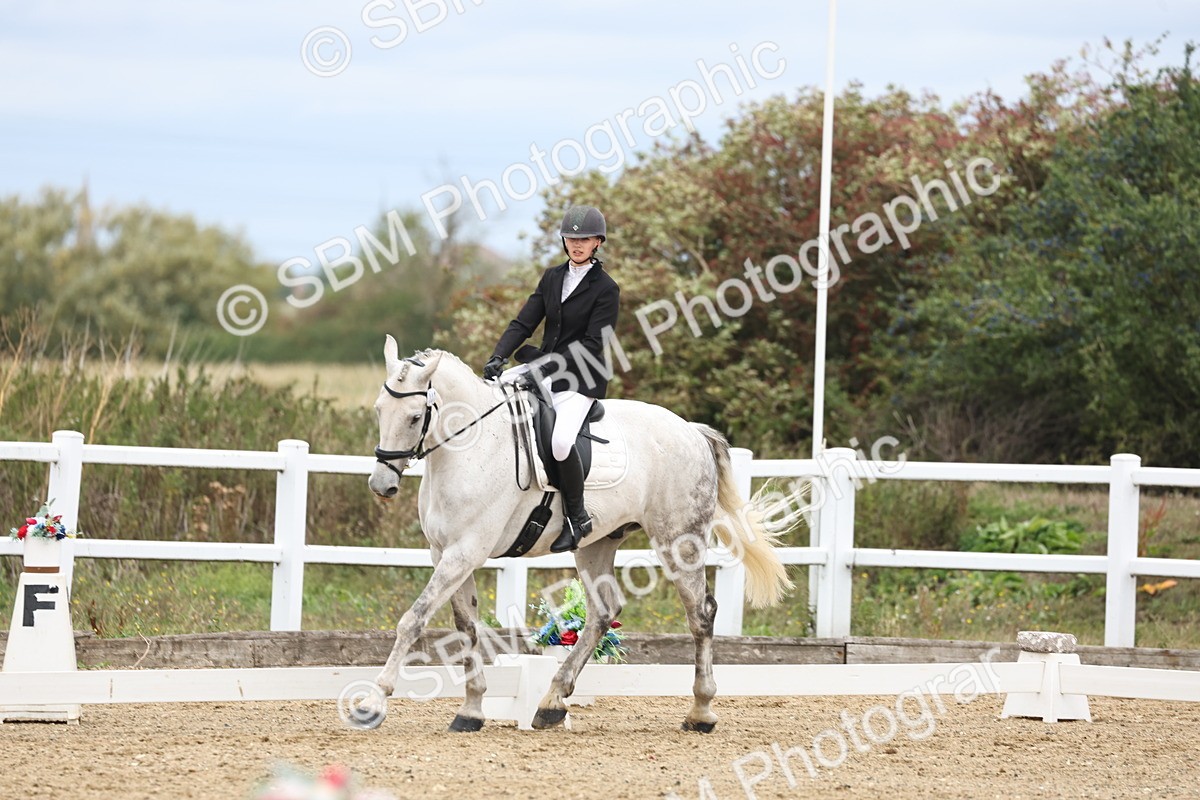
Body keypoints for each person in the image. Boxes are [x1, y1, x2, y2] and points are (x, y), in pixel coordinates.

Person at [482, 205, 620, 553]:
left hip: (580, 377)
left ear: (597, 243)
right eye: (572, 238)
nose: (577, 244)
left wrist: (548, 368)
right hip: (543, 368)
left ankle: (577, 516)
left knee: (560, 442)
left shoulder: (606, 288)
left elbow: (593, 344)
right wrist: (499, 355)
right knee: (495, 397)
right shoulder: (552, 277)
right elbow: (524, 322)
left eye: (584, 239)